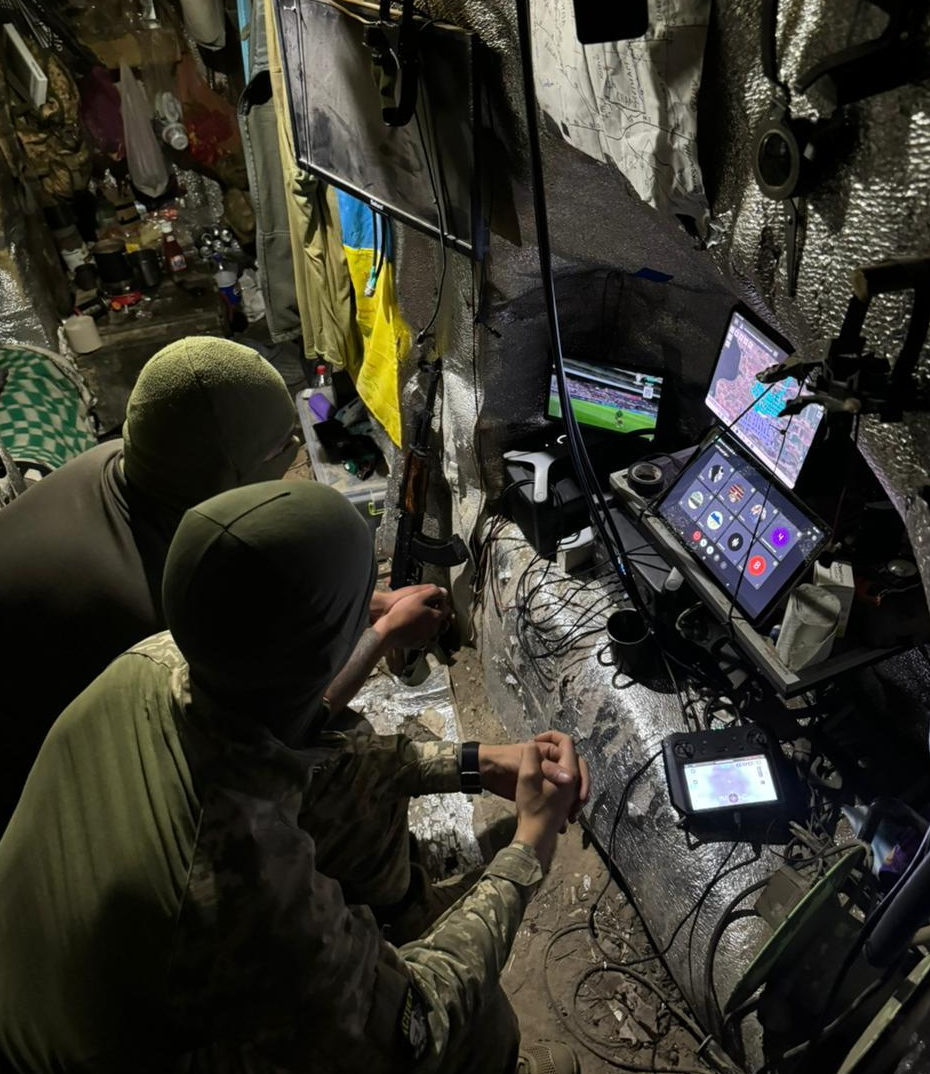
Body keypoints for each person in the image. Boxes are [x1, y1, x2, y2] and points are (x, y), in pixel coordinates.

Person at [0, 480, 587, 1074]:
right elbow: (416, 1025)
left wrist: (474, 762)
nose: (374, 613)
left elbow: (302, 728)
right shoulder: (247, 890)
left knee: (347, 759)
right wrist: (528, 846)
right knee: (476, 1028)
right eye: (364, 606)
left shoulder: (160, 658)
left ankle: (404, 913)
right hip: (131, 1050)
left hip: (71, 968)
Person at [0, 336, 447, 828]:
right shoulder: (151, 611)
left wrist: (368, 602)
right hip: (46, 802)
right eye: (279, 449)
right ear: (225, 474)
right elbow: (271, 739)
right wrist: (382, 636)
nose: (295, 453)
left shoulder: (130, 463)